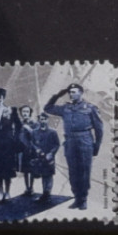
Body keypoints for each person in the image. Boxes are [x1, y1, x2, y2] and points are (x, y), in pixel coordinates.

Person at [42, 83, 106, 212]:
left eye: (74, 92)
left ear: (81, 93)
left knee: (84, 171)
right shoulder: (66, 108)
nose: (71, 94)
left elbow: (99, 129)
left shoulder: (90, 108)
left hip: (85, 141)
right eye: (70, 92)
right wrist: (57, 95)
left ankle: (83, 199)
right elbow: (47, 108)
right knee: (72, 172)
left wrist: (96, 146)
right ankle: (77, 198)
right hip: (70, 141)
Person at [16, 102, 58, 204]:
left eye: (27, 111)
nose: (25, 113)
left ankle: (34, 189)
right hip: (23, 150)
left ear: (30, 113)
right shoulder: (19, 124)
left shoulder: (35, 123)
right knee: (25, 170)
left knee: (32, 169)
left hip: (33, 150)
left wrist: (29, 129)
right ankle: (27, 189)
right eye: (23, 112)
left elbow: (38, 135)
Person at [0, 88, 22, 203]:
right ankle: (1, 192)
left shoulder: (11, 110)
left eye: (0, 97)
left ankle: (7, 192)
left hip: (8, 144)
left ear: (3, 98)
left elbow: (19, 125)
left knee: (7, 169)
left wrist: (15, 137)